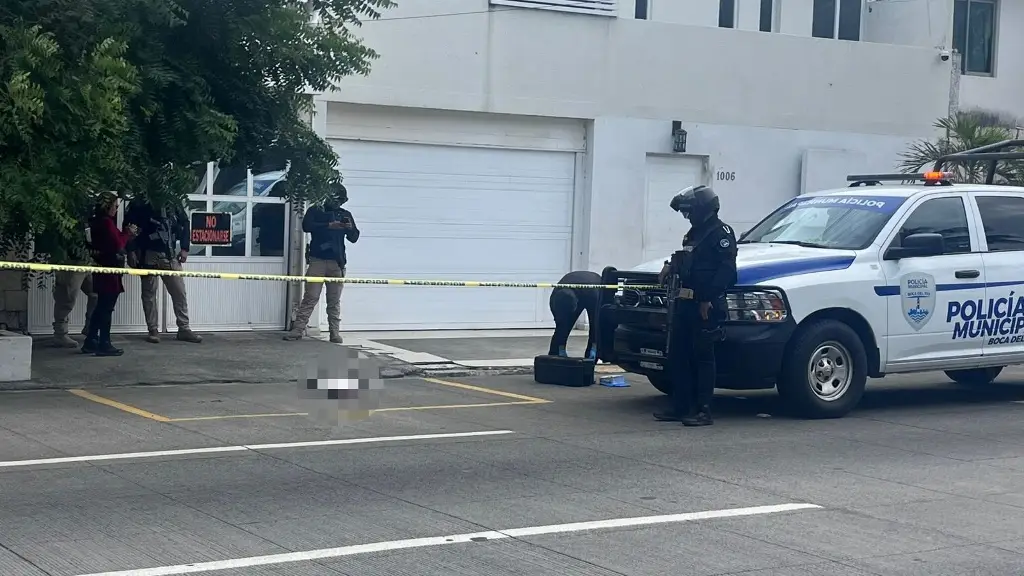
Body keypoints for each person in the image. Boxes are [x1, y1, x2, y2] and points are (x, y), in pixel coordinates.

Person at [653, 185, 737, 427]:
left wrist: (707, 298)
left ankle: (703, 409)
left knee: (703, 357)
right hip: (685, 303)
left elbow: (727, 271)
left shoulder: (720, 233)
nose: (687, 216)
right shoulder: (693, 234)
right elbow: (689, 261)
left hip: (706, 304)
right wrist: (670, 265)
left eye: (689, 211)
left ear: (704, 209)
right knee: (678, 355)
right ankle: (680, 406)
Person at [284, 183, 359, 343]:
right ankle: (297, 330)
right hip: (317, 260)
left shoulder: (344, 214)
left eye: (340, 201)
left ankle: (334, 332)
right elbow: (306, 226)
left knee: (334, 301)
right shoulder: (316, 211)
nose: (338, 204)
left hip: (337, 263)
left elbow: (354, 237)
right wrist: (328, 225)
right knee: (310, 297)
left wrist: (349, 227)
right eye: (336, 200)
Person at [124, 199, 202, 344]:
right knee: (149, 294)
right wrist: (131, 250)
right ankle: (153, 329)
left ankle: (184, 328)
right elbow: (128, 226)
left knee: (179, 292)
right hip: (147, 254)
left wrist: (185, 247)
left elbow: (185, 223)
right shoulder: (140, 201)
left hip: (169, 254)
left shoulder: (172, 200)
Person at [82, 192, 138, 356]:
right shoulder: (106, 222)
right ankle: (104, 343)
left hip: (103, 267)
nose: (116, 209)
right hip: (109, 269)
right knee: (106, 308)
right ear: (107, 206)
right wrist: (128, 234)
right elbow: (118, 244)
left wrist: (124, 233)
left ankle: (91, 340)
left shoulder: (97, 221)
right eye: (114, 206)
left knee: (101, 307)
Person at [44, 209, 98, 347]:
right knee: (66, 298)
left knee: (96, 293)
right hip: (70, 261)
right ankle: (60, 334)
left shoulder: (89, 211)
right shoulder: (64, 210)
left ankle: (90, 327)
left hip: (87, 260)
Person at [548, 270, 602, 358]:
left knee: (596, 325)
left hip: (592, 289)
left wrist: (594, 346)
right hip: (575, 289)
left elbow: (596, 323)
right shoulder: (555, 297)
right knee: (562, 326)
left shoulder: (594, 295)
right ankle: (556, 352)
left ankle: (591, 354)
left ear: (576, 303)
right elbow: (560, 321)